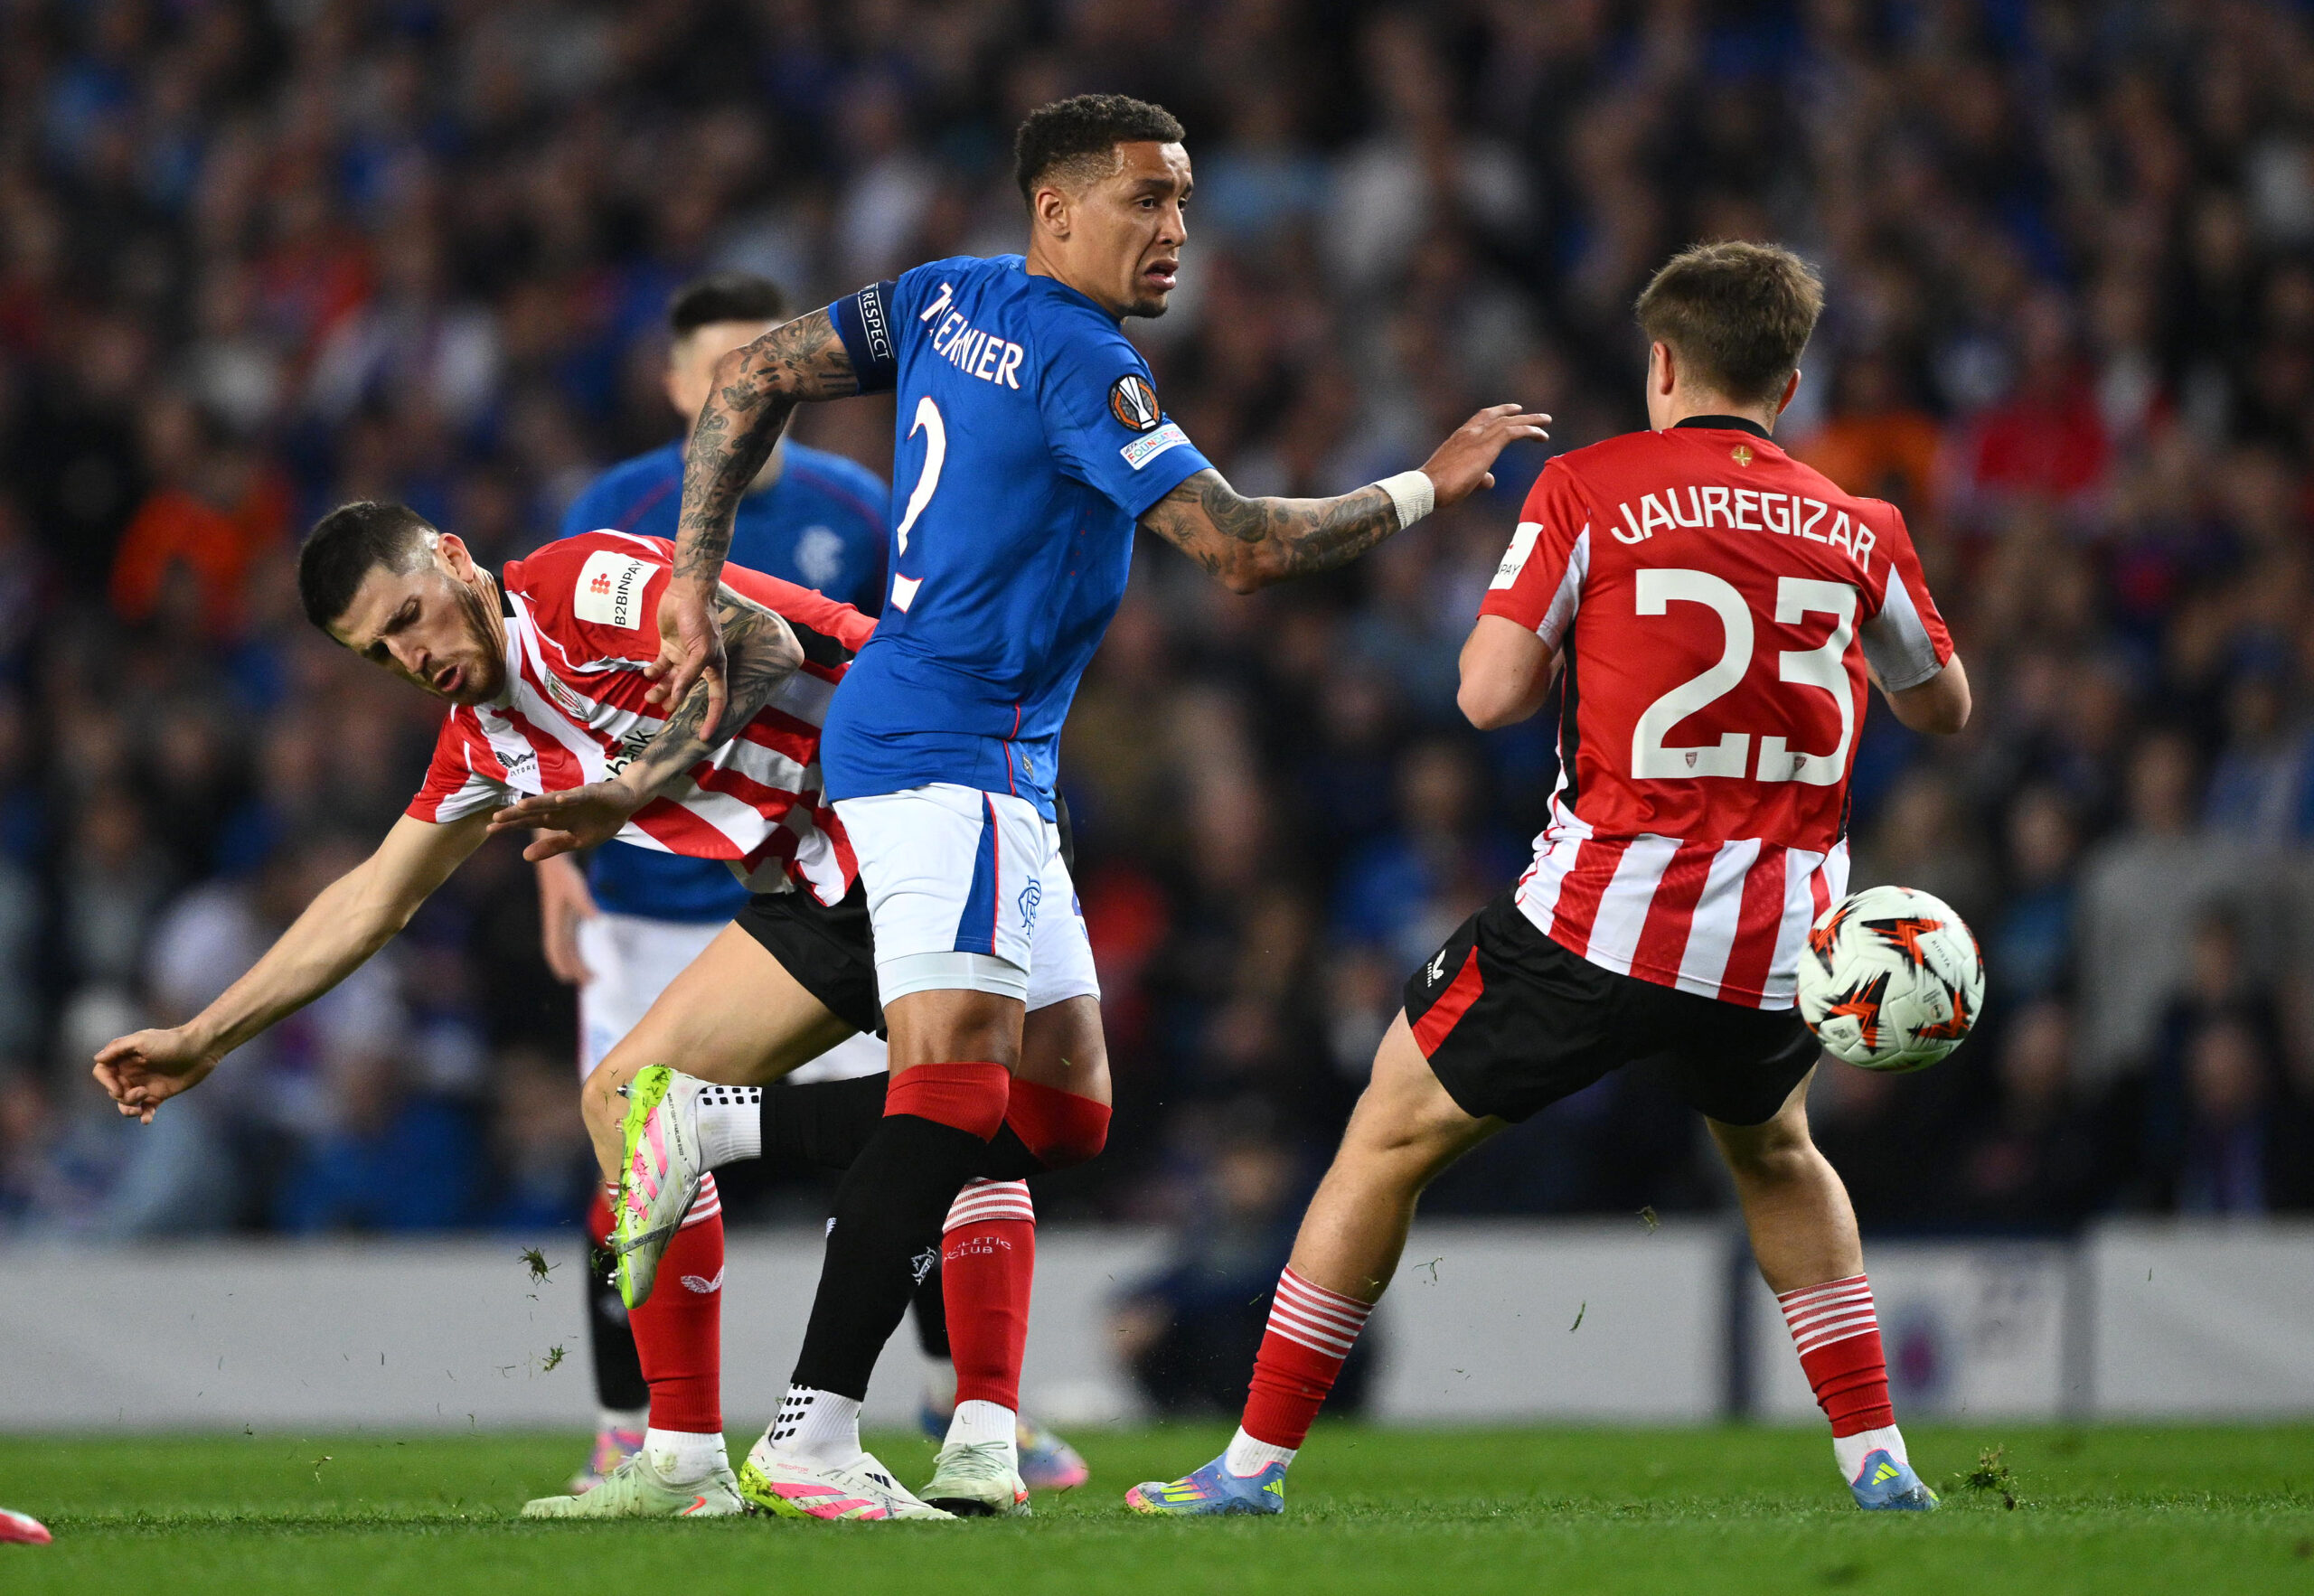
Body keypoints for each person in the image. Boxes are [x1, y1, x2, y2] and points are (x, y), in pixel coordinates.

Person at [625, 90, 1547, 1521]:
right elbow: (1239, 546)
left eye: (1183, 200)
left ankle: (724, 1129)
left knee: (1059, 1111)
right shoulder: (1083, 360)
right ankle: (811, 1435)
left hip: (975, 754)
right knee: (951, 1092)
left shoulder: (942, 295)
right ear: (1055, 210)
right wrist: (1425, 488)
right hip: (948, 749)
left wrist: (697, 566)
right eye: (1146, 199)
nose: (1176, 229)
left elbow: (752, 371)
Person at [1125, 240, 1972, 1516]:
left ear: (1662, 363)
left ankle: (1250, 1467)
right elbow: (1941, 706)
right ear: (1789, 385)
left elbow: (1487, 695)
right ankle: (1879, 1459)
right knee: (1776, 1152)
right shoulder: (1864, 524)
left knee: (1384, 1135)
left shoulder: (1588, 487)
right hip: (1777, 940)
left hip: (1603, 915)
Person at [88, 504, 1099, 1521]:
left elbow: (763, 643)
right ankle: (687, 1455)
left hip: (926, 789)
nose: (410, 657)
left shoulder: (577, 589)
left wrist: (631, 785)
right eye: (378, 651)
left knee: (1042, 1113)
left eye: (408, 616)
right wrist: (203, 1038)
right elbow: (370, 902)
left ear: (454, 559)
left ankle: (971, 1418)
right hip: (823, 881)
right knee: (630, 1099)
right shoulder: (482, 745)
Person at [539, 270, 1082, 1498]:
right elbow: (562, 694)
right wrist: (562, 867)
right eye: (725, 368)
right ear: (679, 386)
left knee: (937, 1118)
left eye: (774, 361)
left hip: (836, 874)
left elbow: (912, 652)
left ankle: (958, 1398)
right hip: (646, 899)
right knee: (625, 1135)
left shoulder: (858, 503)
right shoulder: (618, 512)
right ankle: (636, 1426)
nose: (757, 388)